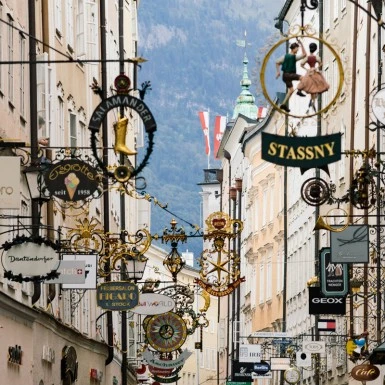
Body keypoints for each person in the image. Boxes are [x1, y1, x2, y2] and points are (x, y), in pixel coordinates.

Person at [296, 42, 329, 111]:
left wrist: (307, 69)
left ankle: (312, 101)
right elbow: (321, 63)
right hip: (314, 72)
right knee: (315, 88)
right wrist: (316, 68)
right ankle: (313, 102)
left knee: (310, 87)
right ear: (315, 49)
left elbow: (301, 64)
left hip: (309, 72)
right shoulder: (316, 57)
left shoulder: (307, 58)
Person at [276, 39, 307, 112]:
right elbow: (304, 54)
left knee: (291, 90)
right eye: (297, 49)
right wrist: (301, 44)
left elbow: (277, 62)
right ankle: (299, 90)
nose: (297, 50)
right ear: (294, 49)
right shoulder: (294, 57)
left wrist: (278, 72)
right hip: (290, 74)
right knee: (302, 78)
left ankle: (283, 104)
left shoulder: (285, 57)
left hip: (285, 76)